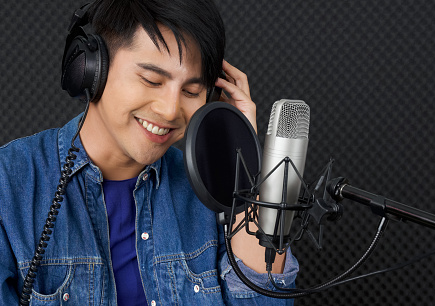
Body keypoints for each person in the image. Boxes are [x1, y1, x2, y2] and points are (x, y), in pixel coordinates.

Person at [0, 0, 298, 304]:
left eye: (191, 91)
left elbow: (262, 299)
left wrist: (241, 155)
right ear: (89, 69)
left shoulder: (214, 191)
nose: (170, 111)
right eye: (152, 80)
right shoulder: (8, 184)